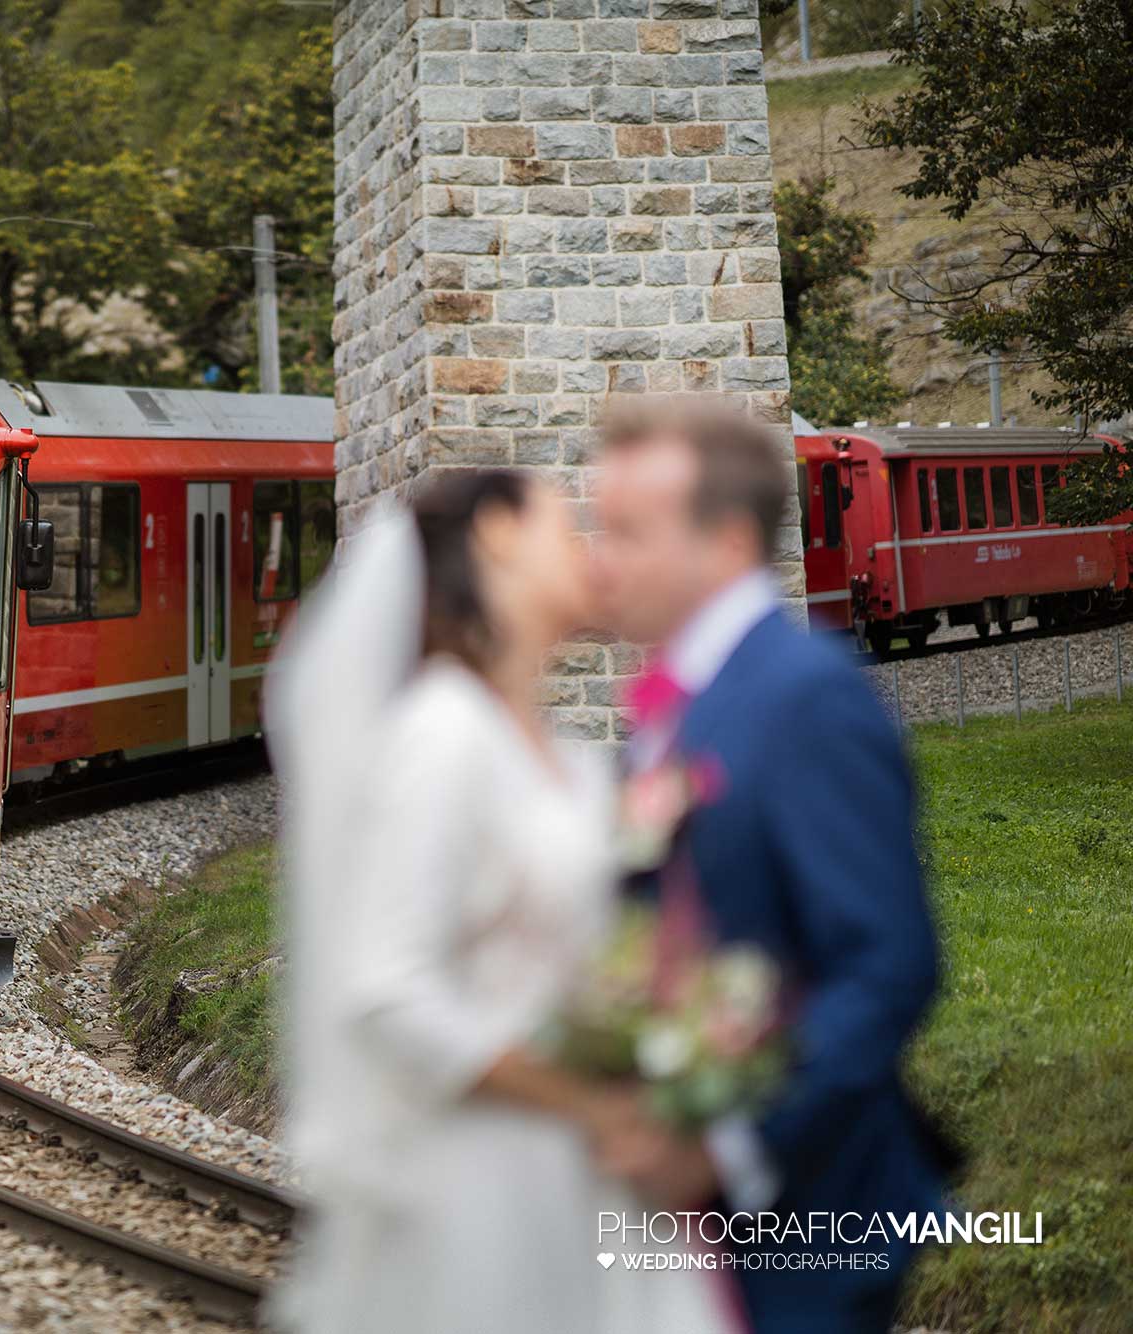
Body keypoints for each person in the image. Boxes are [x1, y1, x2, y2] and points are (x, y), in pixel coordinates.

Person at [268, 470, 735, 1334]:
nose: (591, 551)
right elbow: (386, 989)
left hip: (592, 1178)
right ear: (497, 535)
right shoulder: (442, 736)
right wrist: (594, 1104)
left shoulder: (572, 756)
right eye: (568, 525)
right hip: (491, 1181)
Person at [591, 407, 946, 1334]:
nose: (601, 562)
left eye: (628, 533)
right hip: (686, 1218)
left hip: (808, 1214)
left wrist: (727, 1143)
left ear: (729, 540)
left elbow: (887, 965)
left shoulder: (806, 693)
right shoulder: (672, 706)